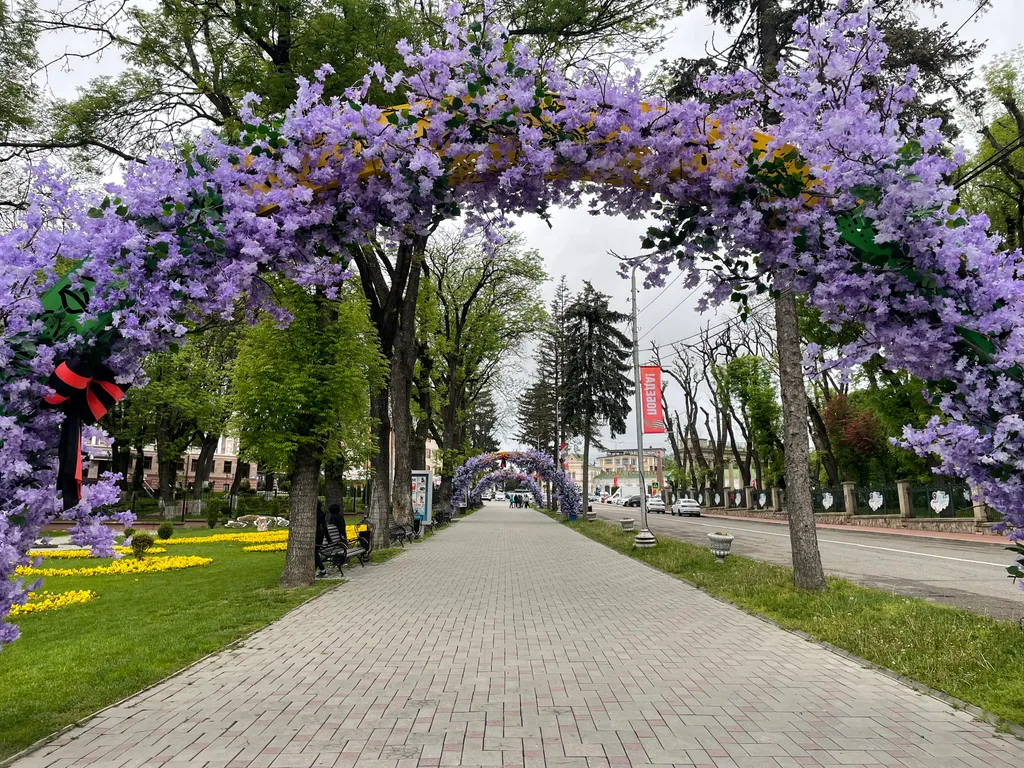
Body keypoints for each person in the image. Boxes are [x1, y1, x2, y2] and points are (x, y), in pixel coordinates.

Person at [315, 500, 331, 578]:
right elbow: (325, 527)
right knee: (315, 552)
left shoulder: (315, 514)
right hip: (320, 536)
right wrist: (328, 538)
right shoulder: (321, 514)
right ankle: (315, 569)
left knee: (315, 554)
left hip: (316, 536)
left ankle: (322, 570)